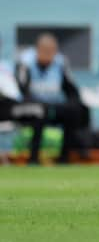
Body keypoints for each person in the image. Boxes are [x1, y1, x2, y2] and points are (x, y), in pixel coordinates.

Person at [15, 33, 90, 164]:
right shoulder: (25, 62)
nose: (49, 54)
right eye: (45, 51)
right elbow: (22, 91)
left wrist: (73, 104)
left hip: (53, 106)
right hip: (30, 106)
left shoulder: (60, 62)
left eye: (52, 51)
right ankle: (33, 158)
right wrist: (40, 105)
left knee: (76, 111)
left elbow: (71, 89)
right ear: (37, 50)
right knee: (39, 112)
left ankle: (67, 156)